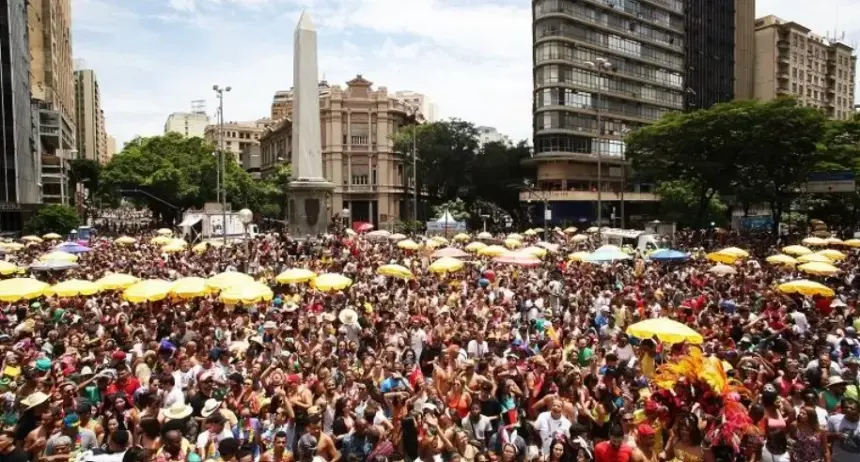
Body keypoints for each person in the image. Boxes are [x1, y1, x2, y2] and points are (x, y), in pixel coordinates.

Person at [827, 398, 860, 462]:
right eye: (846, 407)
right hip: (837, 459)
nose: (848, 410)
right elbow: (825, 438)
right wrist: (835, 435)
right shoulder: (834, 419)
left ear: (859, 410)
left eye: (852, 408)